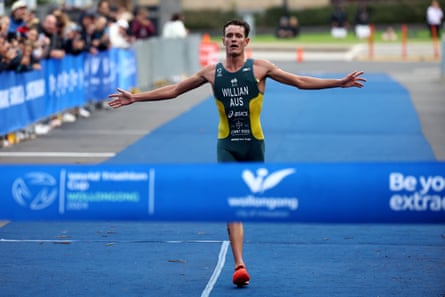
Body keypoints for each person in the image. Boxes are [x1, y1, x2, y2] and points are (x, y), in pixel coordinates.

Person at [107, 19, 366, 287]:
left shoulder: (261, 68)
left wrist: (338, 82)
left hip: (254, 145)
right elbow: (174, 90)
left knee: (252, 201)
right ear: (223, 41)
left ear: (246, 42)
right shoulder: (211, 73)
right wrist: (136, 97)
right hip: (227, 145)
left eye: (238, 35)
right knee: (233, 203)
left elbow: (299, 81)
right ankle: (239, 264)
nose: (233, 39)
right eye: (228, 35)